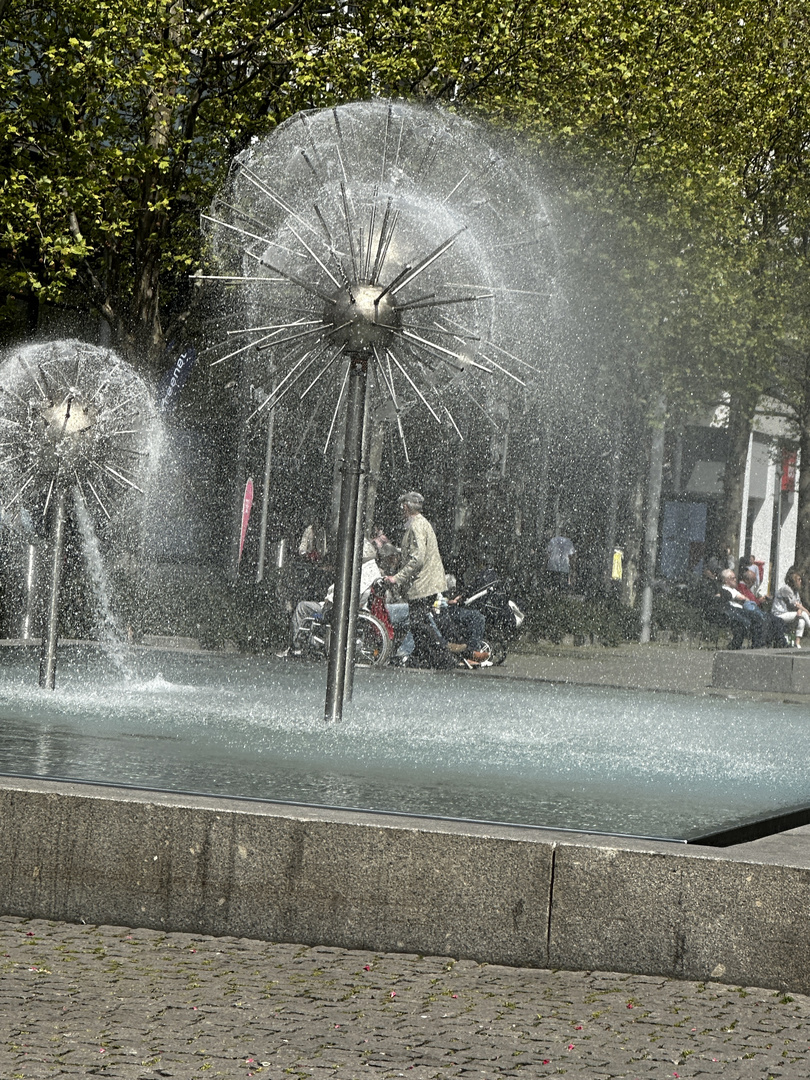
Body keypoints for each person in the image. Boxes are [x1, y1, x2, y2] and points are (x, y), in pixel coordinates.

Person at [384, 491, 455, 669]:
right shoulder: (422, 523)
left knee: (419, 622)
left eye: (402, 506)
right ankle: (425, 655)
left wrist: (397, 578)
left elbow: (417, 559)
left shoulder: (416, 526)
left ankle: (442, 657)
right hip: (429, 582)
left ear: (406, 507)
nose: (400, 509)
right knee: (418, 622)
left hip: (424, 584)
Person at [278, 539, 381, 657]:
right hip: (351, 608)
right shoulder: (371, 571)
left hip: (336, 609)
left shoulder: (360, 574)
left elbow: (339, 595)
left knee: (302, 607)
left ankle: (295, 646)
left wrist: (329, 599)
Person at [771, 567, 810, 648]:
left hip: (787, 613)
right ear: (793, 580)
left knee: (802, 620)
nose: (800, 581)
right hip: (779, 614)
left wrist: (800, 609)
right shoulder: (786, 589)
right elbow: (795, 605)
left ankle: (797, 643)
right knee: (804, 614)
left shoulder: (795, 592)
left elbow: (799, 605)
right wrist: (804, 610)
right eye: (798, 579)